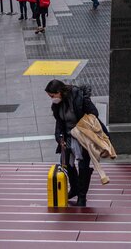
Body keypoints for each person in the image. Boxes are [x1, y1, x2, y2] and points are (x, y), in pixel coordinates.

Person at [46, 79, 98, 207]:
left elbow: (94, 113)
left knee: (83, 166)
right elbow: (59, 123)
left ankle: (82, 196)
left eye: (52, 96)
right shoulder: (57, 105)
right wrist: (59, 138)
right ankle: (75, 189)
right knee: (66, 164)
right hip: (69, 137)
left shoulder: (79, 97)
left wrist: (81, 128)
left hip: (83, 136)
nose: (52, 99)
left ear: (59, 92)